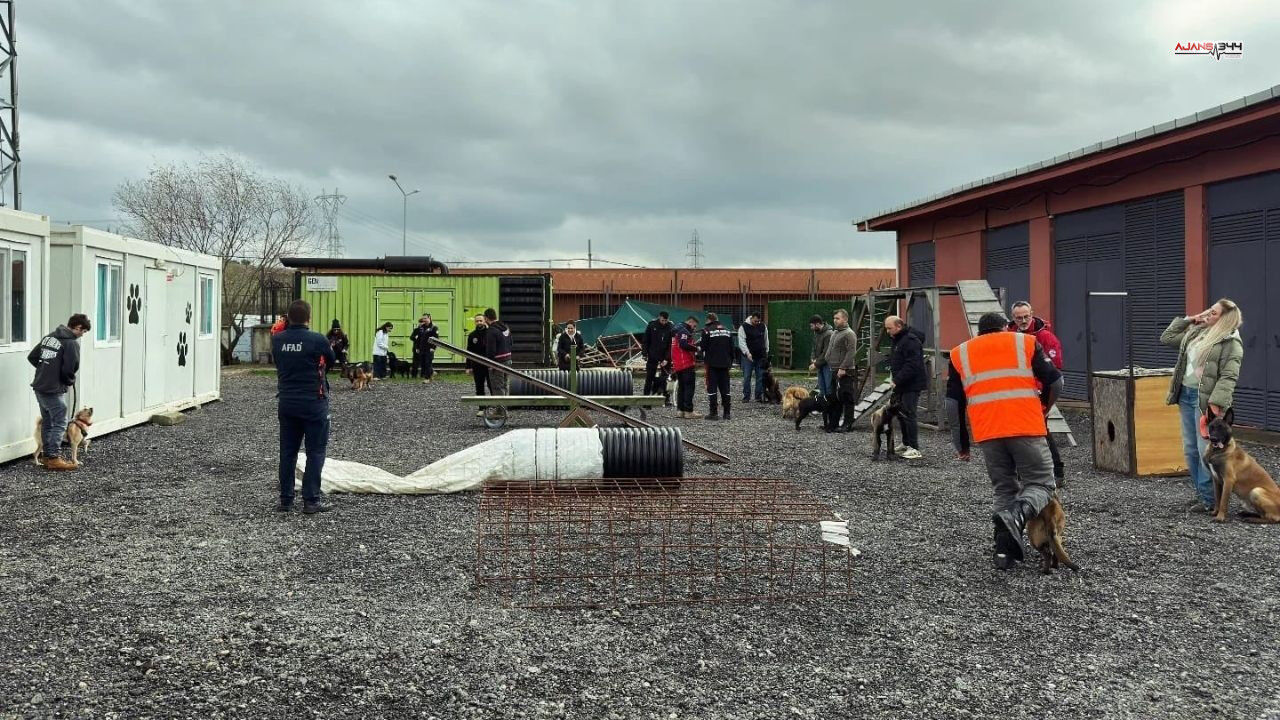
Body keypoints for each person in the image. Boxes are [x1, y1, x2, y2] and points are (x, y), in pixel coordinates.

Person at [948, 312, 1062, 570]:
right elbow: (1056, 381)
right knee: (1042, 484)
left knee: (1004, 489)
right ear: (1005, 327)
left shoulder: (959, 353)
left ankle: (1003, 552)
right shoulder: (1025, 342)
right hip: (1026, 426)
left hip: (988, 432)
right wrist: (1044, 408)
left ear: (979, 332)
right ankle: (1018, 514)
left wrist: (962, 444)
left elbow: (952, 404)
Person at [1161, 298, 1244, 513]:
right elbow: (1167, 337)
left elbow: (1228, 377)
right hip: (1185, 395)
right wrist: (1190, 319)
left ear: (1225, 319)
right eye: (1209, 310)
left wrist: (1215, 404)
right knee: (1190, 449)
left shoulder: (1230, 342)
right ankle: (1202, 495)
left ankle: (1210, 500)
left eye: (1213, 313)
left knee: (1204, 450)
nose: (1208, 314)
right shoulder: (1197, 332)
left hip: (1206, 401)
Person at [272, 300, 336, 514]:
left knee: (287, 452)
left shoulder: (277, 340)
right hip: (313, 402)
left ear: (288, 317)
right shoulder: (318, 340)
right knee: (315, 451)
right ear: (309, 317)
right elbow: (331, 360)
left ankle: (286, 500)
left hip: (287, 402)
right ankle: (311, 500)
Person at [1009, 301, 1067, 486]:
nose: (1023, 320)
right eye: (1019, 317)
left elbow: (1055, 370)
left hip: (1038, 392)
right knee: (1019, 434)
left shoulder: (1046, 337)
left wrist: (1044, 396)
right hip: (1016, 392)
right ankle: (1026, 473)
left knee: (1041, 431)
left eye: (1026, 316)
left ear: (1032, 314)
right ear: (1013, 318)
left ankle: (1057, 471)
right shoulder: (1009, 336)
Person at [27, 314, 91, 471]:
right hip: (53, 389)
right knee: (60, 422)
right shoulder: (71, 343)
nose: (82, 335)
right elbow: (70, 368)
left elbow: (33, 357)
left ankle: (47, 456)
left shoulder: (49, 338)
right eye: (83, 331)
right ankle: (54, 458)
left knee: (48, 421)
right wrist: (68, 380)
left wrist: (46, 371)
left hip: (40, 386)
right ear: (78, 327)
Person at [885, 315, 925, 460]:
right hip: (902, 384)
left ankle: (914, 448)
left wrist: (897, 379)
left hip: (911, 384)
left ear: (899, 326)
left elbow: (912, 364)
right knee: (901, 414)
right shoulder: (898, 339)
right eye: (886, 328)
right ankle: (906, 443)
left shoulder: (910, 341)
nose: (887, 331)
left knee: (909, 414)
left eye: (889, 328)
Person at [824, 309, 859, 433]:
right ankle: (833, 424)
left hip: (845, 371)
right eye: (834, 318)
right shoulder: (835, 332)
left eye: (837, 318)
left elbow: (851, 352)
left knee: (847, 397)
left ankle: (847, 424)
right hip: (833, 369)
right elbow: (830, 349)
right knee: (835, 398)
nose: (835, 320)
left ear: (845, 319)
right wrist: (826, 359)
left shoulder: (849, 334)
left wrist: (843, 367)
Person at [700, 312, 734, 420]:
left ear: (708, 320)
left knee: (712, 389)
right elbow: (732, 348)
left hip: (712, 364)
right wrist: (729, 362)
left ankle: (713, 413)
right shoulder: (727, 330)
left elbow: (703, 347)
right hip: (725, 364)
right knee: (725, 389)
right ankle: (727, 413)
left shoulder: (706, 331)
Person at [670, 315, 699, 418]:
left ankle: (680, 410)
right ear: (690, 322)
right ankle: (688, 411)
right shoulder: (684, 331)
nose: (694, 328)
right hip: (686, 363)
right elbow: (683, 344)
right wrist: (696, 348)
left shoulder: (676, 331)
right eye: (694, 326)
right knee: (689, 388)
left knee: (681, 388)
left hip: (678, 364)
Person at [738, 313, 770, 403]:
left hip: (760, 356)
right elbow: (742, 342)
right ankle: (746, 396)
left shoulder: (763, 326)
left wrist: (767, 351)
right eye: (755, 321)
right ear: (751, 318)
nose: (757, 323)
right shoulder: (743, 327)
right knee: (747, 377)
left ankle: (758, 396)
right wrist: (747, 353)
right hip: (748, 357)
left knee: (760, 376)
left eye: (759, 321)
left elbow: (766, 339)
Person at [483, 308, 512, 396]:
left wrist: (490, 364)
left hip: (497, 362)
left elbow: (490, 350)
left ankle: (500, 405)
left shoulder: (491, 331)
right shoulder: (506, 327)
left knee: (497, 386)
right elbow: (511, 343)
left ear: (486, 318)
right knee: (506, 384)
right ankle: (506, 403)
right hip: (508, 360)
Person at [642, 312, 673, 396]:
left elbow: (671, 344)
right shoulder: (652, 325)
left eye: (666, 321)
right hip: (653, 354)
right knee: (649, 377)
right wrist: (644, 353)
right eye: (662, 320)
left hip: (665, 355)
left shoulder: (670, 327)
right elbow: (646, 340)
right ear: (659, 317)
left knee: (666, 378)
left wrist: (667, 358)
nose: (664, 322)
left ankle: (665, 397)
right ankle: (646, 396)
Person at [466, 314, 489, 417]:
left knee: (492, 386)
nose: (479, 322)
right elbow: (468, 352)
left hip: (489, 365)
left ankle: (496, 407)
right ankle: (482, 408)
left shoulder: (490, 333)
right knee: (479, 387)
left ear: (485, 321)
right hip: (477, 365)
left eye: (481, 320)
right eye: (477, 321)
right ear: (474, 322)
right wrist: (468, 367)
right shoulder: (472, 335)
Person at [807, 314, 834, 398]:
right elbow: (814, 347)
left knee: (828, 387)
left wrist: (816, 364)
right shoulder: (816, 333)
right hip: (820, 363)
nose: (811, 328)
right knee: (821, 387)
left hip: (828, 364)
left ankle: (830, 404)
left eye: (812, 326)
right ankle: (822, 403)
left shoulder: (829, 334)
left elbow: (826, 352)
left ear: (817, 324)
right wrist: (813, 358)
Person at [410, 314, 440, 383]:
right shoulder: (421, 328)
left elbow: (436, 339)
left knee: (428, 363)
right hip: (421, 348)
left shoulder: (433, 328)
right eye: (423, 318)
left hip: (429, 349)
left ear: (429, 318)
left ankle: (427, 378)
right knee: (423, 363)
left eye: (425, 318)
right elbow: (419, 339)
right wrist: (417, 347)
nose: (424, 320)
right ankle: (431, 373)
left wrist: (433, 348)